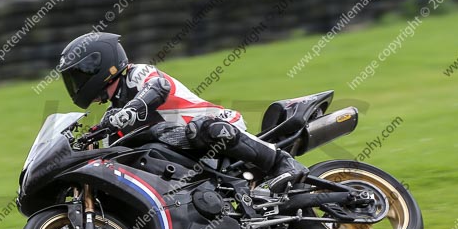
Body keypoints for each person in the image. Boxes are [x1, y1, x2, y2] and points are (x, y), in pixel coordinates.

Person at [57, 32, 308, 193]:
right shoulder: (113, 115)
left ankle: (282, 162)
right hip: (184, 154)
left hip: (214, 125)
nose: (76, 84)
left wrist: (130, 110)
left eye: (78, 75)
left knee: (200, 129)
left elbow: (158, 87)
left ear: (100, 65)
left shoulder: (138, 74)